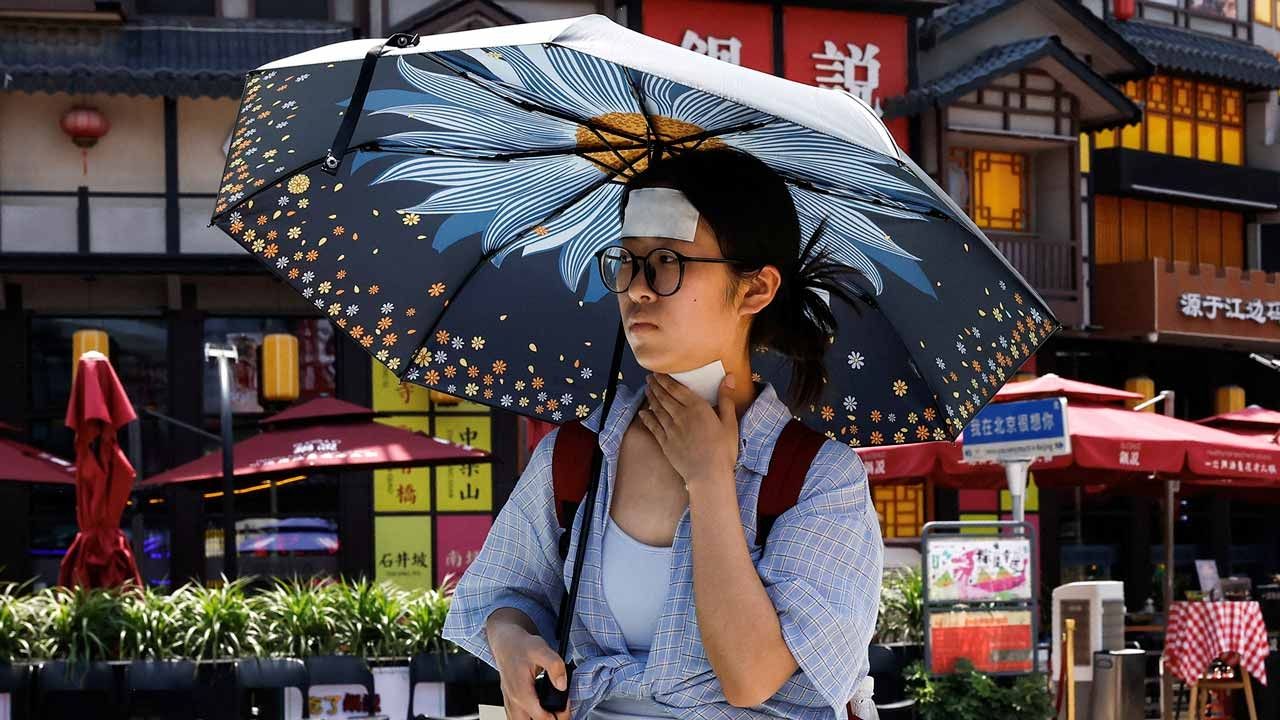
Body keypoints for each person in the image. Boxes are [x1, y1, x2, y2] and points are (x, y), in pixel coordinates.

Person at [441, 148, 884, 720]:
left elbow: (750, 676)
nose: (638, 289)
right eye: (627, 261)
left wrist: (708, 481)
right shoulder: (574, 456)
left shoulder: (819, 481)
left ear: (754, 290)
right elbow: (507, 596)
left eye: (669, 262)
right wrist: (510, 641)